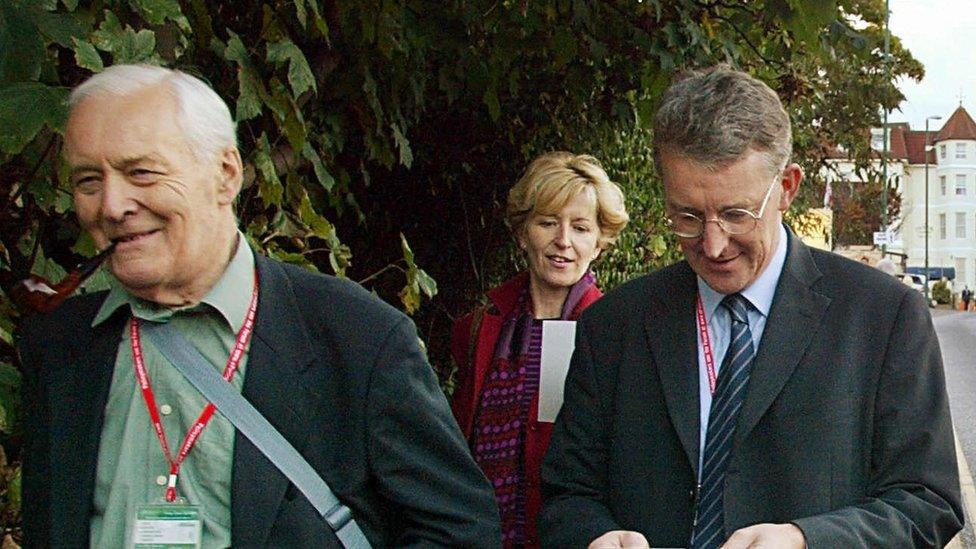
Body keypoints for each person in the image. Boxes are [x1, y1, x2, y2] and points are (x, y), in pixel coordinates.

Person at [19, 64, 501, 548]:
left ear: (225, 175)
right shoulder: (60, 346)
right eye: (88, 181)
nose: (111, 205)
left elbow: (459, 531)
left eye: (140, 172)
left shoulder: (357, 338)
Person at [539, 66, 963, 548]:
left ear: (786, 187)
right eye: (687, 217)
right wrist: (596, 536)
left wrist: (808, 541)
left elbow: (928, 501)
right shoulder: (614, 325)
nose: (713, 244)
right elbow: (566, 495)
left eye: (736, 214)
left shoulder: (884, 317)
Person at [450, 152, 629, 548]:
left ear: (599, 244)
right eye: (548, 222)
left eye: (580, 228)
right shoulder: (479, 328)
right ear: (522, 233)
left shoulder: (616, 335)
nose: (563, 241)